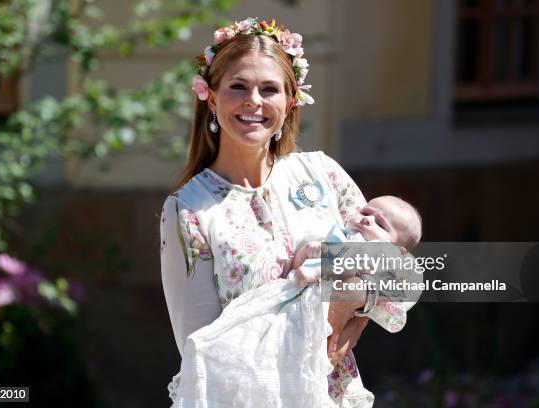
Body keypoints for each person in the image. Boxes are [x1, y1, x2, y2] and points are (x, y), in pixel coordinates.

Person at [160, 17, 422, 407]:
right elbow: (200, 351)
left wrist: (356, 302)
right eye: (238, 87)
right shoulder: (187, 210)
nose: (254, 101)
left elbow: (401, 274)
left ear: (291, 100)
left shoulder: (323, 173)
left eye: (270, 89)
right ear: (211, 99)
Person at [290, 195, 422, 287]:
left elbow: (351, 265)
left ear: (397, 250)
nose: (367, 219)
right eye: (365, 213)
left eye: (381, 224)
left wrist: (317, 270)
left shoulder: (381, 254)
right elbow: (296, 270)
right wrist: (308, 251)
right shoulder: (338, 236)